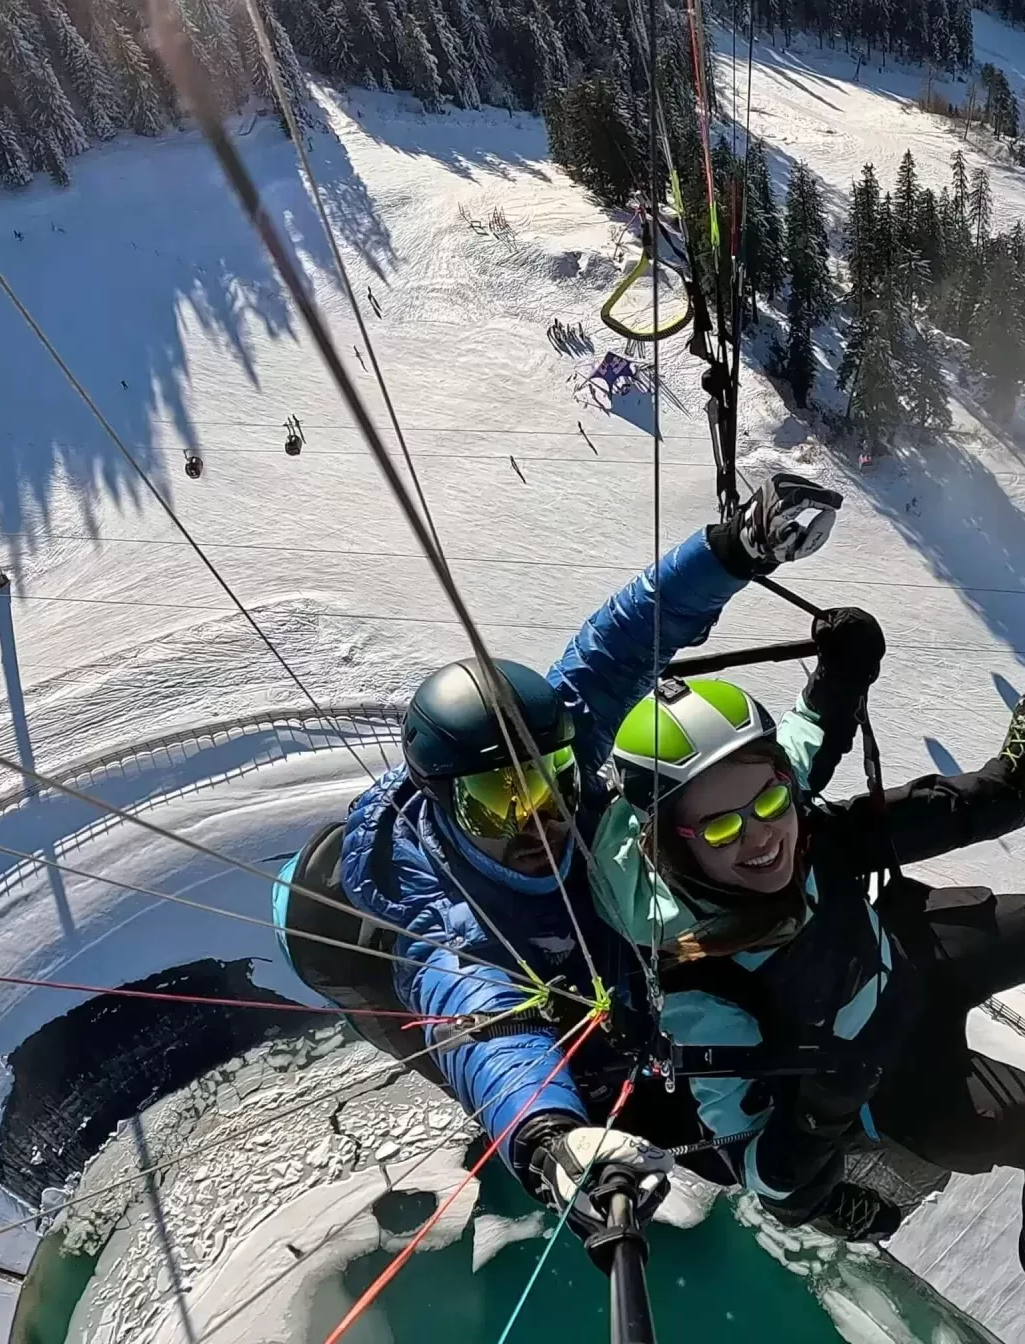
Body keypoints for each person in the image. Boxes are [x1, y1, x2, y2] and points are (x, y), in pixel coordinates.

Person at [587, 659, 1025, 1318]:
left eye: (770, 802)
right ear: (672, 843)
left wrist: (836, 680)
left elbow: (806, 748)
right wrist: (820, 1112)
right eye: (724, 828)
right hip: (886, 1082)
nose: (761, 837)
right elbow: (757, 1168)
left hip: (898, 962)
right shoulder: (703, 987)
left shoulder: (786, 817)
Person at [333, 474, 845, 1197]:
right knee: (694, 1144)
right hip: (582, 1051)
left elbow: (624, 643)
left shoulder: (547, 736)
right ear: (445, 809)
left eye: (552, 782)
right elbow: (482, 1020)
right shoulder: (446, 912)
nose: (540, 820)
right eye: (497, 805)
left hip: (631, 981)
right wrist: (546, 1136)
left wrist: (733, 550)